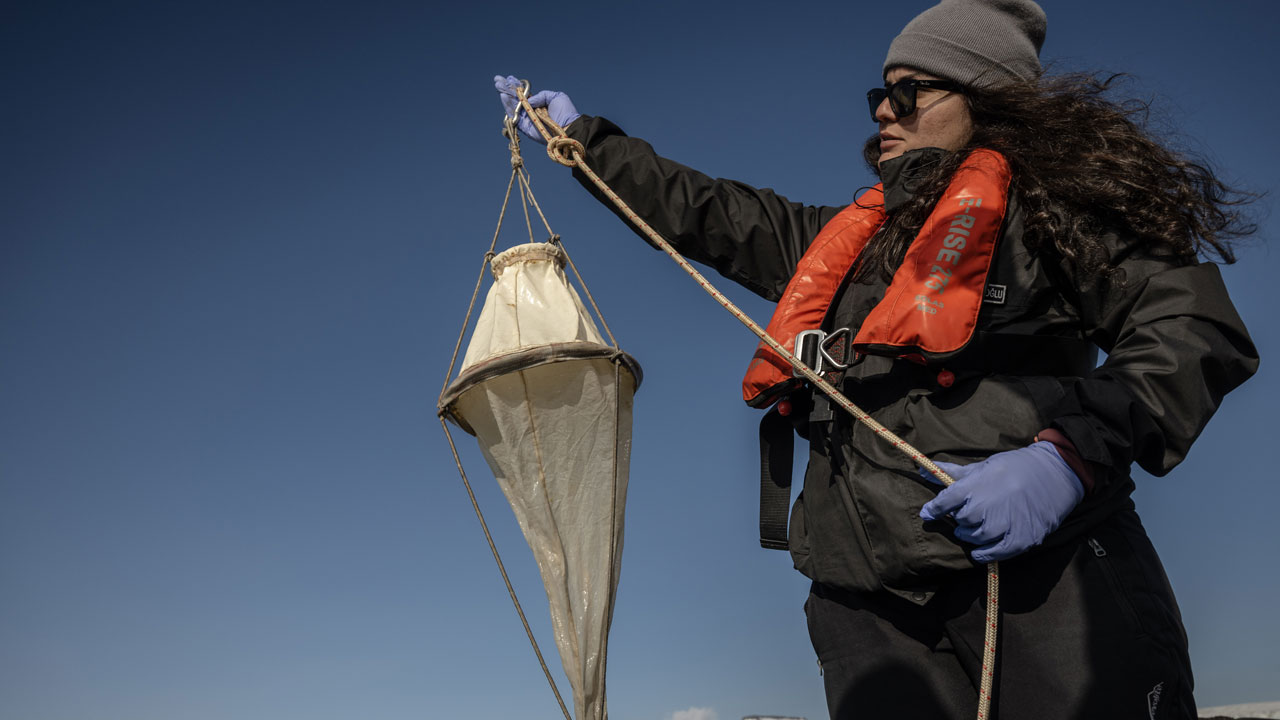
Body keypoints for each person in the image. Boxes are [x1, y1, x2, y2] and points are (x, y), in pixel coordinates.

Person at [495, 0, 1259, 717]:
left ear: (985, 96)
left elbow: (1192, 328)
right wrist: (586, 145)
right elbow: (711, 213)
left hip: (1039, 577)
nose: (883, 111)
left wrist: (1068, 459)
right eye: (880, 94)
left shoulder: (1061, 214)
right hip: (861, 603)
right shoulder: (848, 240)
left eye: (908, 92)